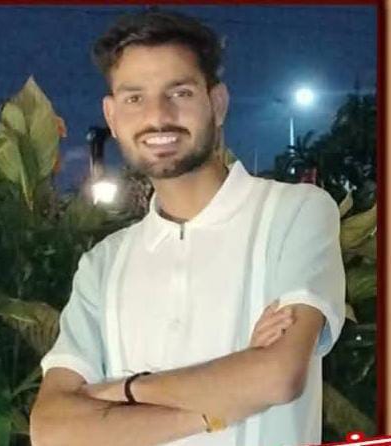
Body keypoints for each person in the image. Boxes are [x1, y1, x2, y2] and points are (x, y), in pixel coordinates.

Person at [30, 9, 345, 446]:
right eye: (134, 98)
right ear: (112, 116)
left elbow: (278, 376)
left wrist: (124, 391)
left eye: (179, 92)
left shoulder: (293, 213)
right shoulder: (104, 264)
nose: (158, 115)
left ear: (217, 104)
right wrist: (224, 402)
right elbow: (51, 428)